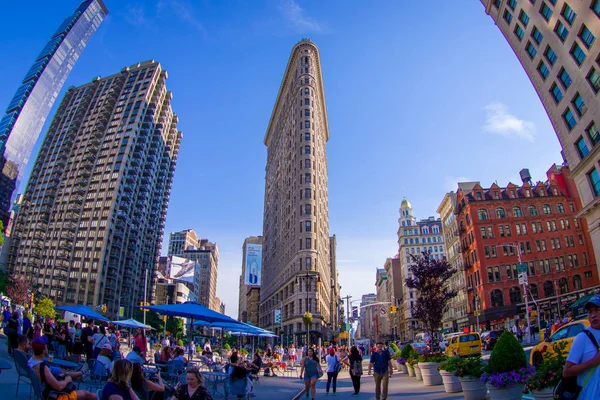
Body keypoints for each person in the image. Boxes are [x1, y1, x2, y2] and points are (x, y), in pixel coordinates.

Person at [29, 338, 96, 399]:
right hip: (55, 395)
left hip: (45, 392)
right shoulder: (43, 367)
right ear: (44, 351)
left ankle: (80, 375)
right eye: (46, 347)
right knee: (86, 394)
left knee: (65, 374)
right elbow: (59, 387)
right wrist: (67, 380)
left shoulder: (31, 362)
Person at [563, 294, 600, 398]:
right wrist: (593, 362)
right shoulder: (582, 338)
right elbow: (567, 372)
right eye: (590, 312)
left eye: (597, 310)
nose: (593, 315)